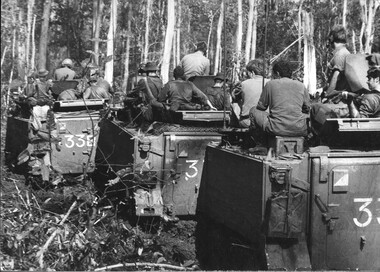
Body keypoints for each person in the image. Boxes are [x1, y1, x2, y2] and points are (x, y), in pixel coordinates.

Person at [249, 60, 310, 144]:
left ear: (277, 73)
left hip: (276, 128)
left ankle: (260, 144)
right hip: (299, 128)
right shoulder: (301, 85)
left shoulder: (270, 84)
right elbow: (307, 108)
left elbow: (261, 107)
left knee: (253, 110)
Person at [231, 59, 268, 127]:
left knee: (234, 103)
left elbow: (234, 97)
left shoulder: (244, 84)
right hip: (267, 121)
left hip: (248, 121)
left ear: (252, 73)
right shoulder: (270, 83)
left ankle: (233, 126)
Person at [323, 25, 351, 100]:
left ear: (331, 38)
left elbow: (335, 78)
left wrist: (326, 95)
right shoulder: (343, 52)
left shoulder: (340, 55)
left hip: (338, 98)